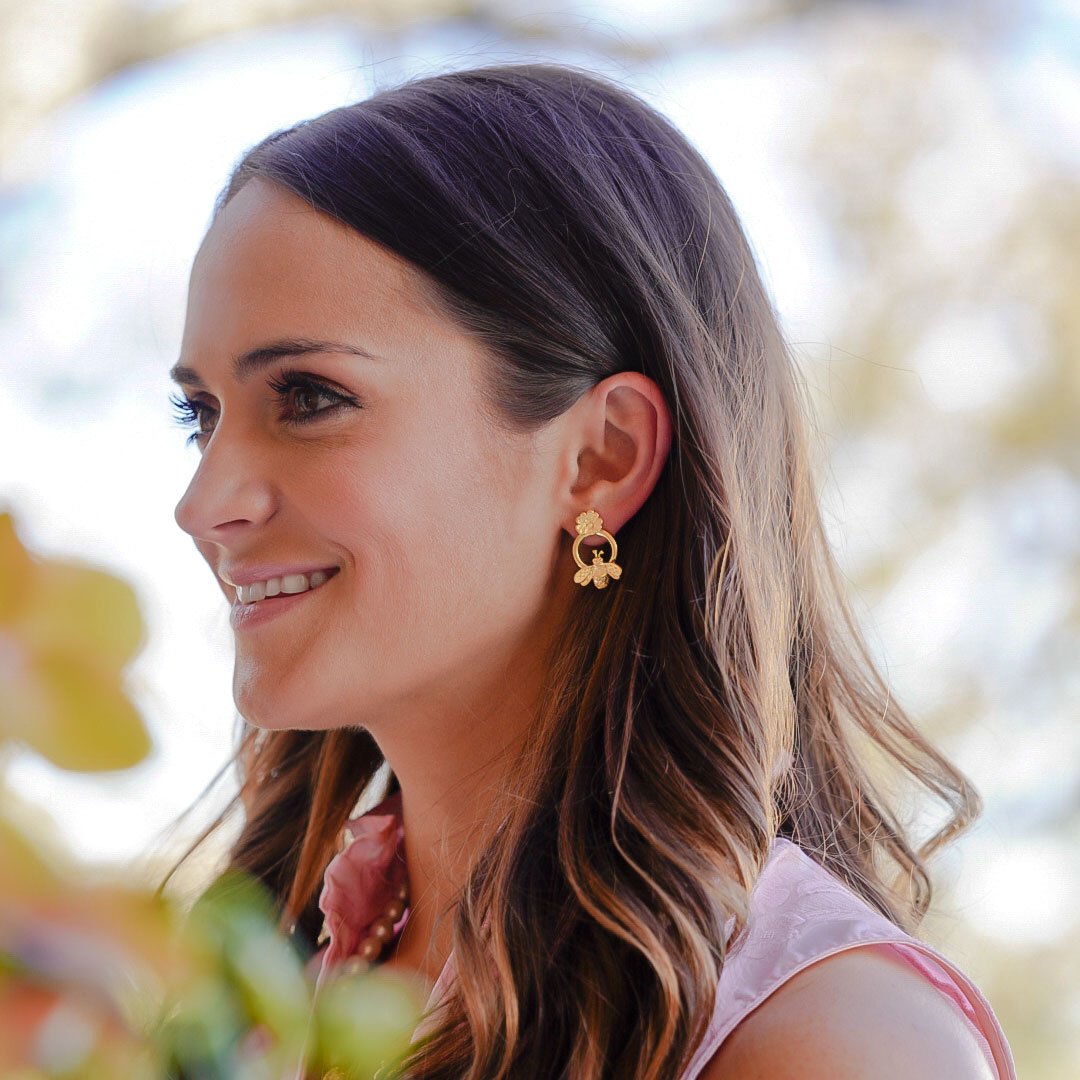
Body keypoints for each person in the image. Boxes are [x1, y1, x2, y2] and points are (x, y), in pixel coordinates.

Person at [162, 62, 1016, 1078]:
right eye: (200, 416)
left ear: (601, 458)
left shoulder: (833, 1044)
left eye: (307, 398)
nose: (205, 505)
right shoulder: (248, 983)